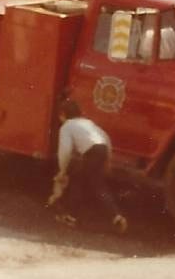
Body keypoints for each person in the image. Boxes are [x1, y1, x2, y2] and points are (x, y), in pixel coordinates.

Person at [48, 98, 127, 233]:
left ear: (62, 114)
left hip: (91, 152)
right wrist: (108, 160)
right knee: (97, 185)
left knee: (76, 181)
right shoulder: (87, 122)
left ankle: (71, 217)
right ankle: (116, 216)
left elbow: (65, 151)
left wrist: (62, 170)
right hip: (102, 149)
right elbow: (105, 137)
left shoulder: (67, 126)